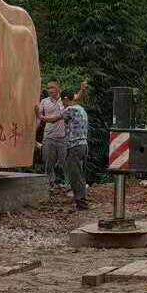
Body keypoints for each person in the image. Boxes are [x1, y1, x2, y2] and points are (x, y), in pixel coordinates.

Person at [63, 81, 91, 212]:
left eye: (62, 101)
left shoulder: (70, 110)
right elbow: (78, 97)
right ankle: (82, 201)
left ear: (65, 99)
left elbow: (54, 118)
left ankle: (81, 204)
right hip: (83, 145)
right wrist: (82, 89)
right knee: (79, 174)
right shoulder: (81, 109)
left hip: (74, 146)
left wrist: (40, 116)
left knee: (74, 175)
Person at [38, 80, 69, 188]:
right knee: (48, 162)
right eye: (49, 88)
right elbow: (38, 117)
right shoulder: (44, 102)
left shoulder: (65, 100)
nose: (50, 90)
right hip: (49, 136)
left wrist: (83, 90)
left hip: (62, 136)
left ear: (58, 89)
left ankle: (68, 184)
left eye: (52, 87)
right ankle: (50, 183)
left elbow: (78, 97)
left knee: (64, 162)